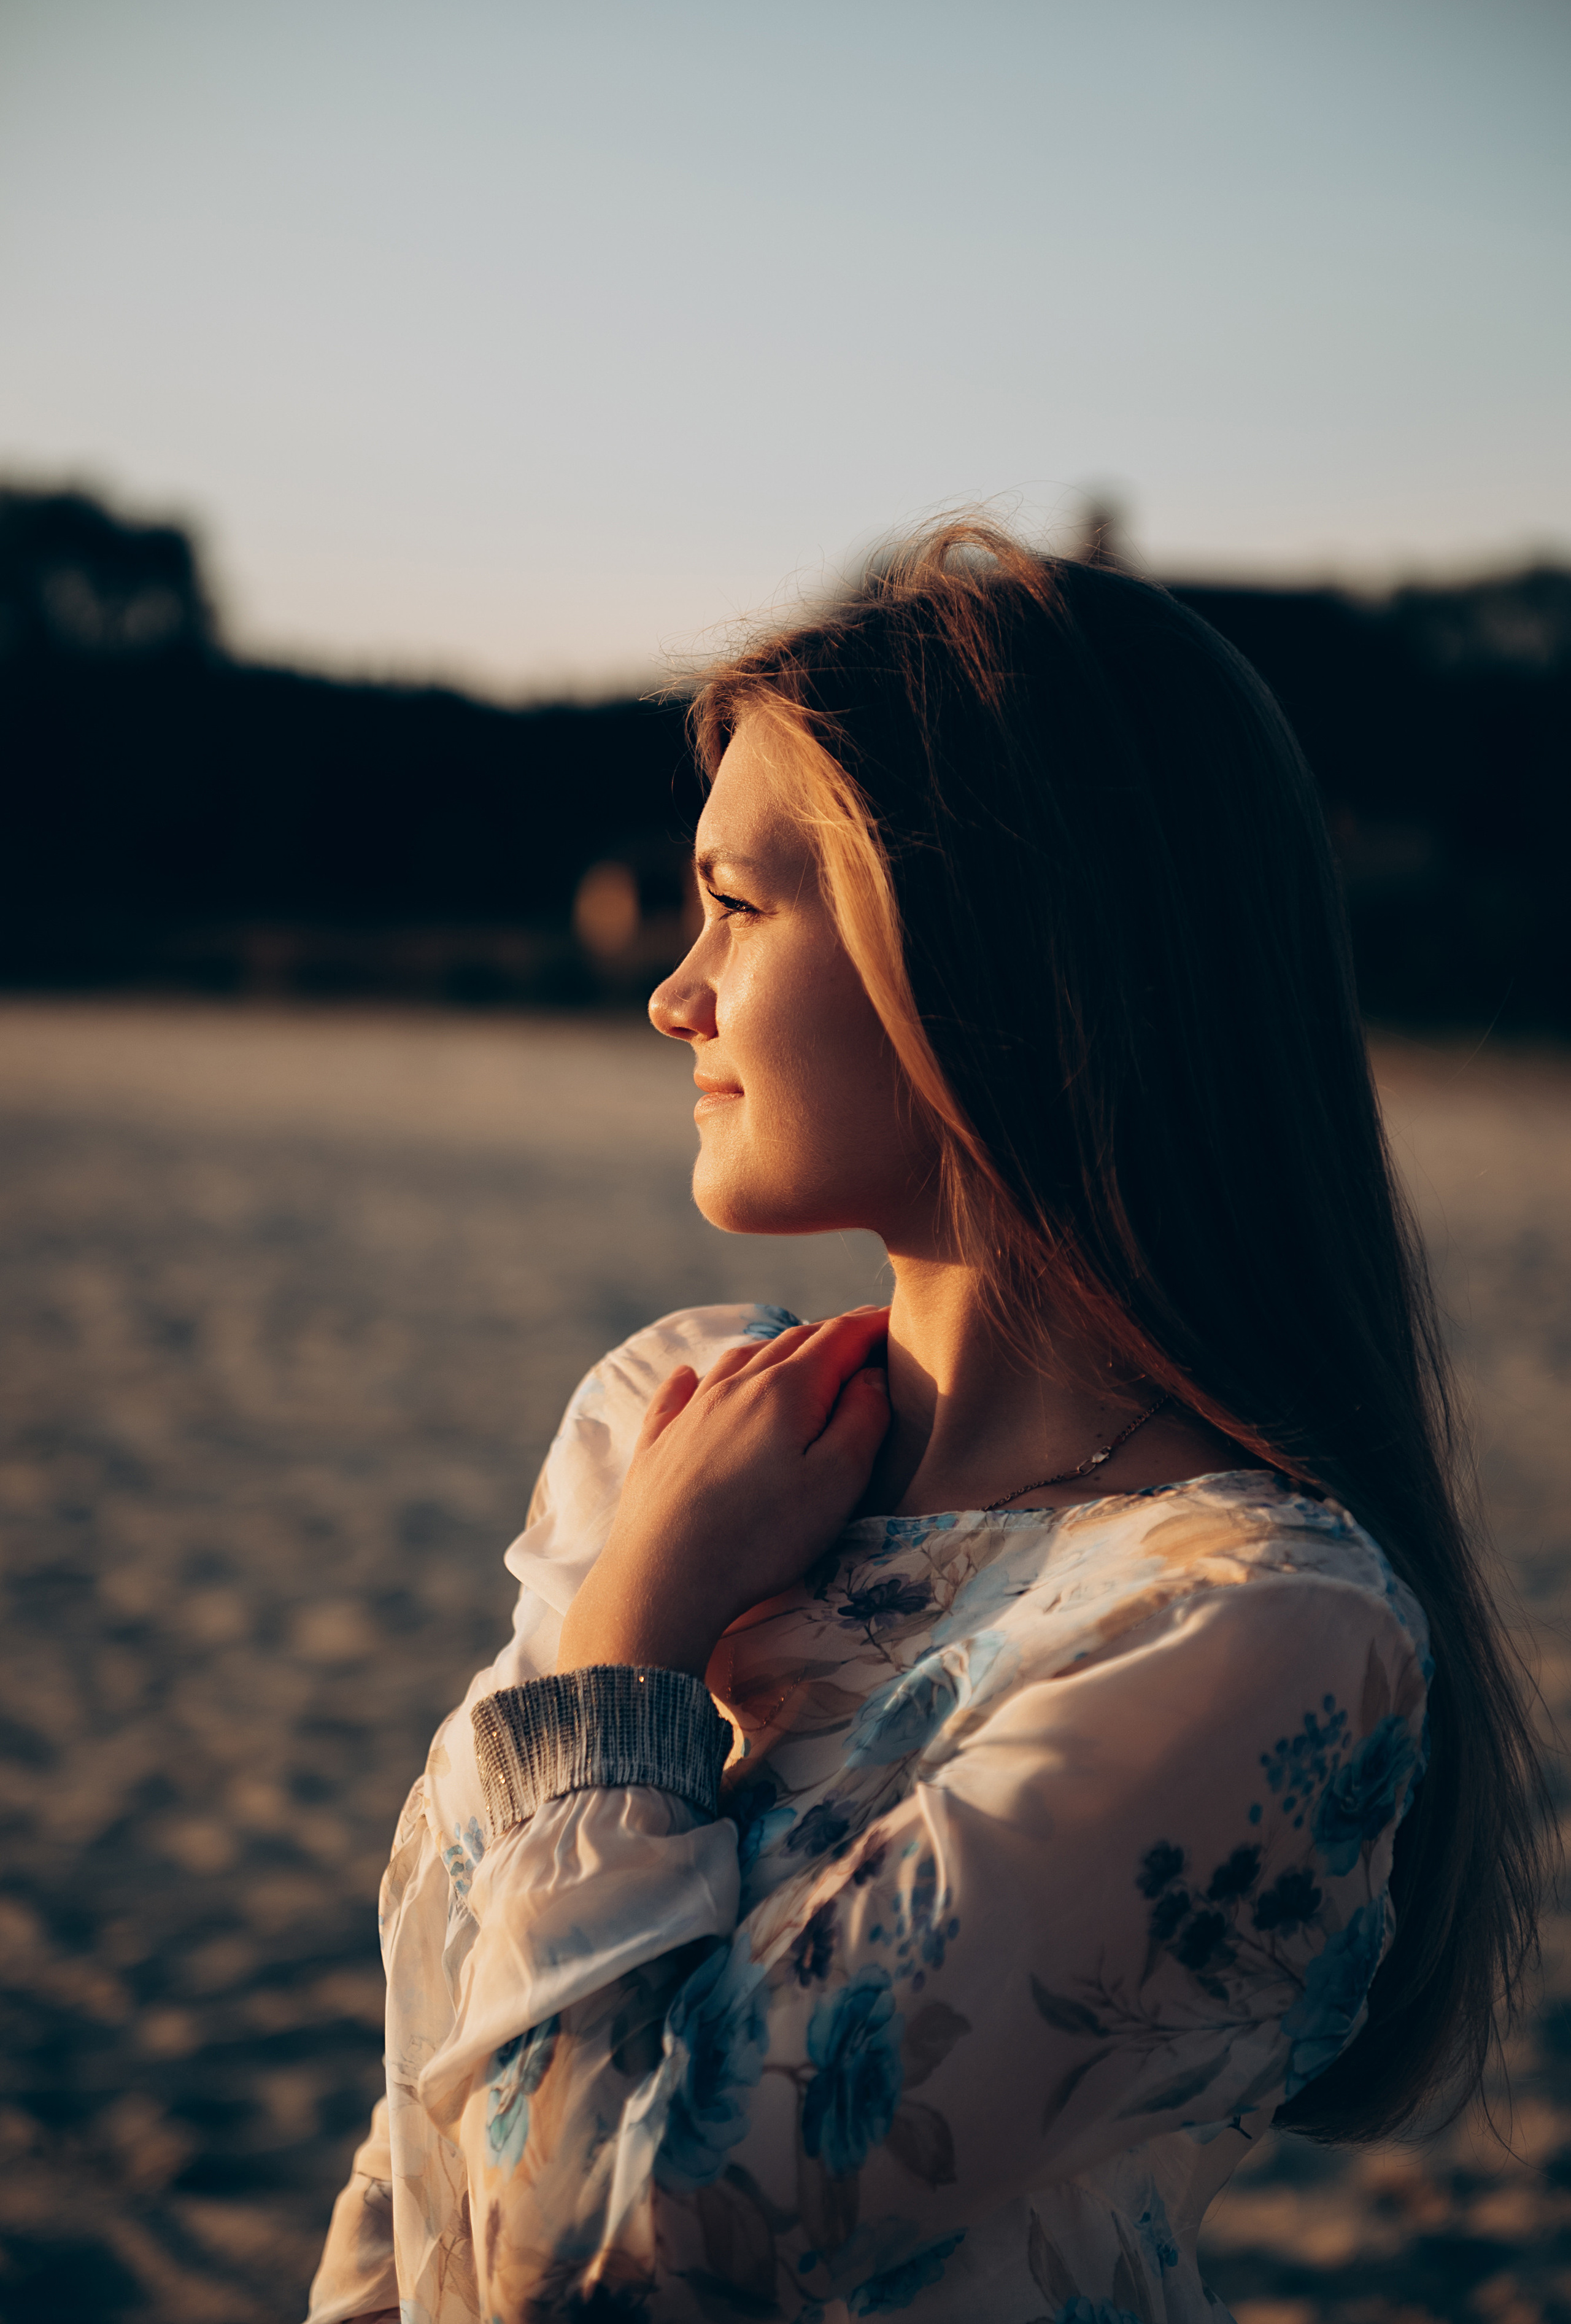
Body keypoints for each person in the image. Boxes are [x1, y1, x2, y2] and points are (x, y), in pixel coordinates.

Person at [307, 522, 1543, 2323]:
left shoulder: (1245, 1626)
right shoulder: (672, 1418)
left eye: (738, 908)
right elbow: (422, 2128)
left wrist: (634, 1653)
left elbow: (607, 2266)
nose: (672, 993)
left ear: (990, 946)